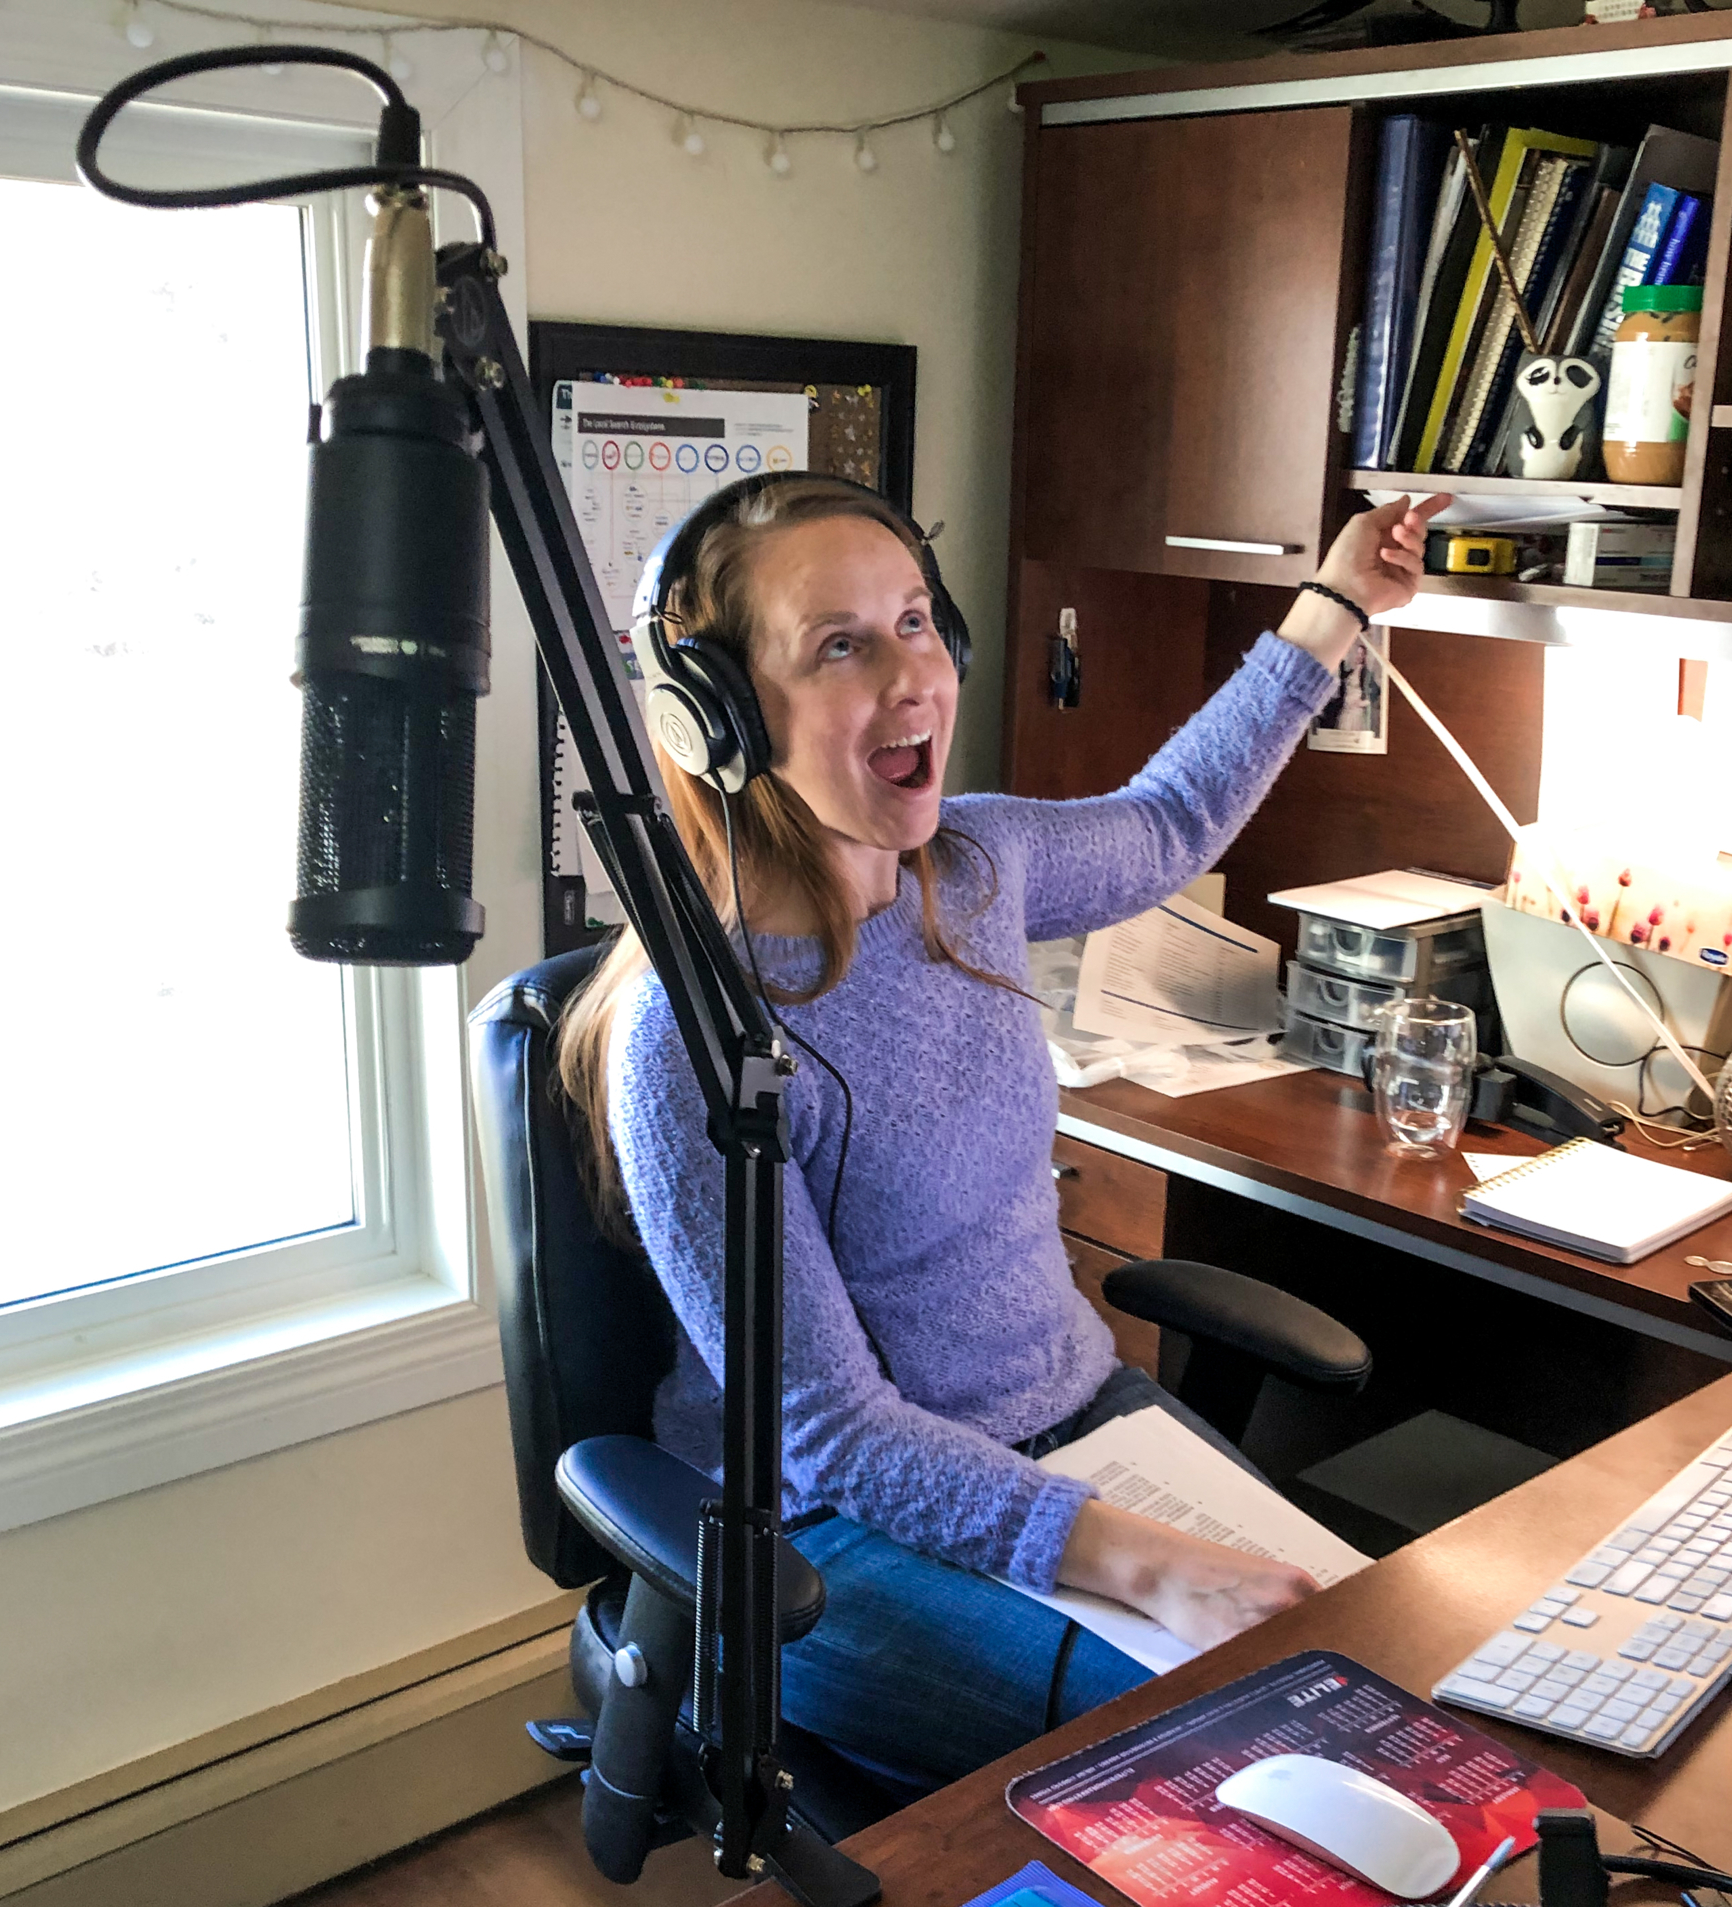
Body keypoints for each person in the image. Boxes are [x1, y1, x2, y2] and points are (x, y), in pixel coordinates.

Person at [556, 479, 1448, 1798]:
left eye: (918, 621)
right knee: (1270, 1758)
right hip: (827, 1534)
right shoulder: (689, 1036)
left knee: (1384, 1673)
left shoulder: (977, 866)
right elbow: (830, 1430)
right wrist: (1149, 1563)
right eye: (841, 645)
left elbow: (1171, 820)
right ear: (725, 716)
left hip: (1080, 1430)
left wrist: (1337, 605)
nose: (911, 677)